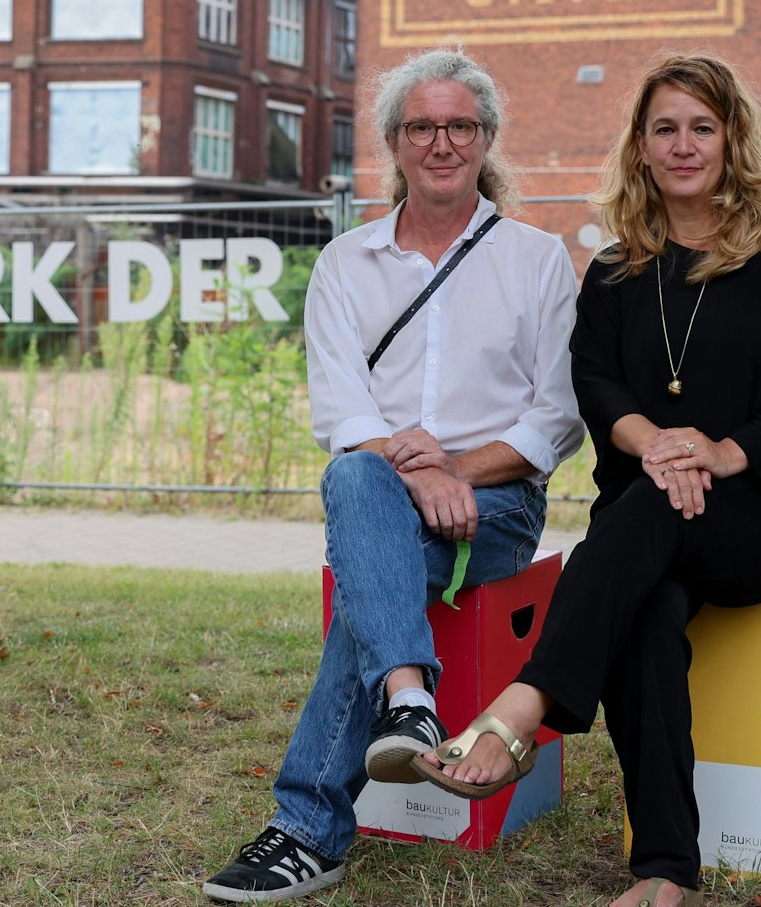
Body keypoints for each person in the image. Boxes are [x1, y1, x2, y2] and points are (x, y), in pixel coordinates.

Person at [410, 52, 761, 907]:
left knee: (638, 527)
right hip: (656, 515)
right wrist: (657, 447)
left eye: (702, 127)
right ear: (641, 147)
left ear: (732, 140)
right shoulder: (616, 274)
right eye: (665, 129)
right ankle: (664, 868)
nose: (683, 145)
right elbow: (597, 384)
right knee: (644, 605)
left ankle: (523, 705)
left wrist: (721, 453)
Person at [202, 48, 585, 902]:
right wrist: (419, 478)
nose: (441, 143)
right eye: (422, 127)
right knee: (353, 480)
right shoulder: (346, 263)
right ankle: (406, 703)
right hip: (380, 494)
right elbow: (344, 417)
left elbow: (557, 417)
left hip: (497, 506)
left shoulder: (535, 258)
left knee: (365, 554)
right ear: (393, 141)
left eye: (460, 126)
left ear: (486, 138)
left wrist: (454, 469)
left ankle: (312, 822)